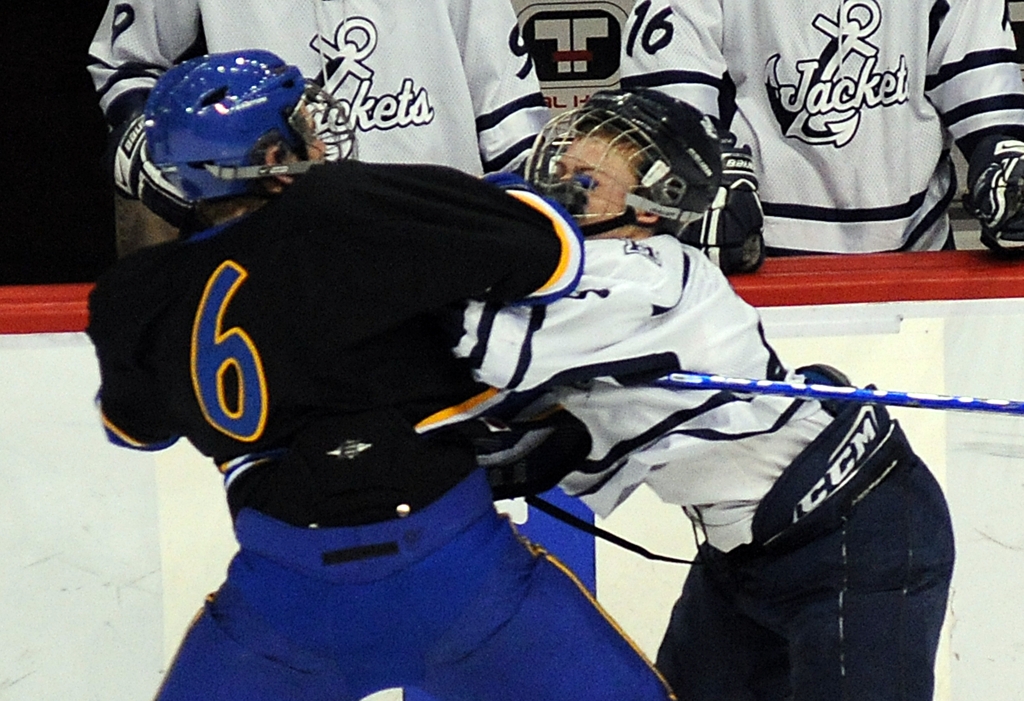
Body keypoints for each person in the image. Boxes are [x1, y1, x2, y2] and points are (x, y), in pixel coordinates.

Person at [85, 50, 677, 701]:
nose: (315, 132)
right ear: (272, 158)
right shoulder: (348, 202)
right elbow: (552, 256)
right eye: (299, 120)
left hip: (282, 604)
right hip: (458, 576)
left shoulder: (134, 292)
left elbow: (135, 428)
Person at [449, 89, 956, 700]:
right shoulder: (587, 270)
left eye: (585, 181)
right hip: (745, 552)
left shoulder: (645, 275)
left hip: (858, 533)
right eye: (559, 172)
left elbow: (468, 340)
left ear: (652, 206)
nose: (558, 193)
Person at [87, 0, 550, 255]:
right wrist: (177, 164)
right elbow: (125, 63)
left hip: (435, 238)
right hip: (277, 247)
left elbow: (508, 112)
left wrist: (538, 219)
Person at [618, 0, 1024, 256]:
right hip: (756, 254)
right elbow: (669, 109)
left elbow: (983, 91)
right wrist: (703, 181)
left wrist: (1003, 160)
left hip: (916, 248)